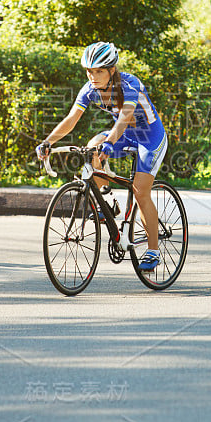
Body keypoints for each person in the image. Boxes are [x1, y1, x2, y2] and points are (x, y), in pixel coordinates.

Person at [36, 42, 168, 271]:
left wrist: (110, 143)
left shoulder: (129, 84)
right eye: (89, 71)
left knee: (140, 191)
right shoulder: (89, 89)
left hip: (150, 137)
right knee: (92, 147)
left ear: (112, 70)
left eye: (99, 71)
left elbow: (124, 118)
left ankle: (153, 251)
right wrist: (49, 141)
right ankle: (108, 202)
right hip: (126, 135)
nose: (93, 76)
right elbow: (71, 119)